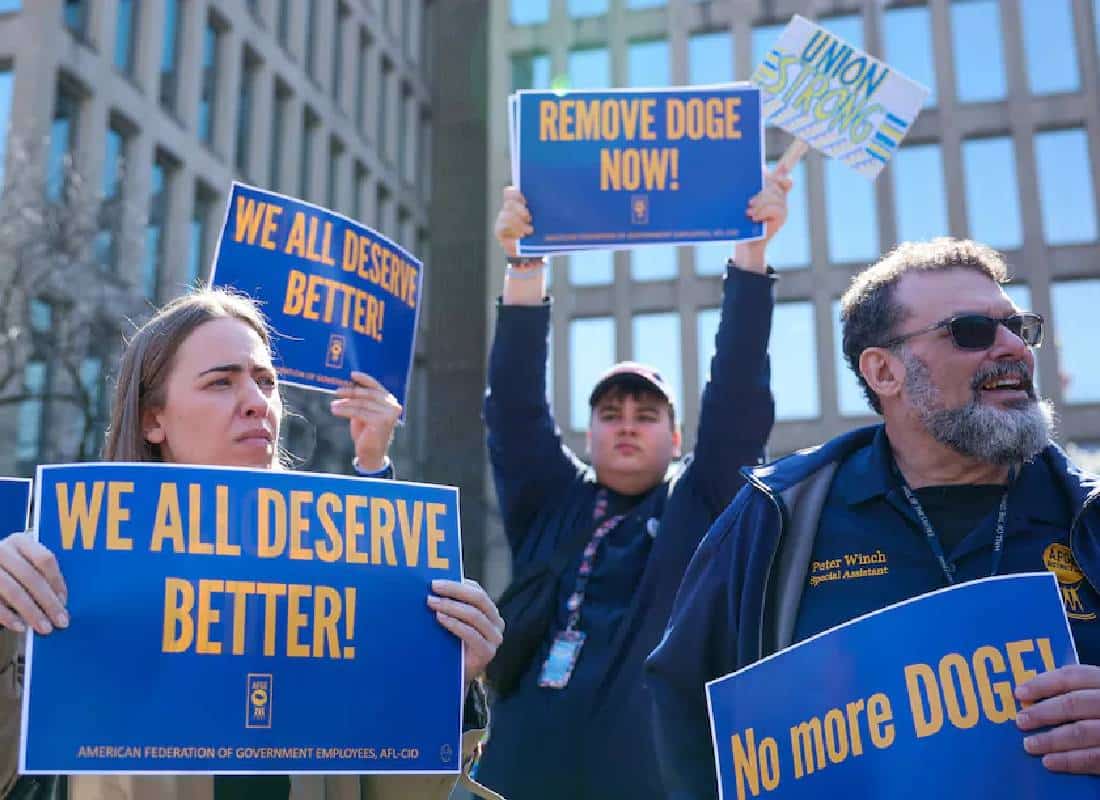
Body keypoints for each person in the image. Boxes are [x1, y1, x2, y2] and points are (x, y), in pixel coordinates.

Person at [0, 289, 505, 800]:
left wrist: (444, 687)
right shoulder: (62, 572)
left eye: (266, 382)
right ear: (154, 419)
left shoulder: (336, 589)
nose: (257, 403)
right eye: (221, 382)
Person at [645, 237, 1100, 797]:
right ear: (885, 371)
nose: (1013, 349)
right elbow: (685, 708)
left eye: (1019, 327)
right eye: (973, 331)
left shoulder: (1088, 512)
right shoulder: (779, 516)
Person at [474, 170, 791, 799]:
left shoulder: (701, 505)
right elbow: (513, 407)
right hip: (512, 778)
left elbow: (736, 399)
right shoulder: (551, 501)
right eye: (610, 415)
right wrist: (524, 268)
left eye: (647, 416)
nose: (626, 427)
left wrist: (751, 255)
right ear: (587, 433)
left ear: (676, 440)